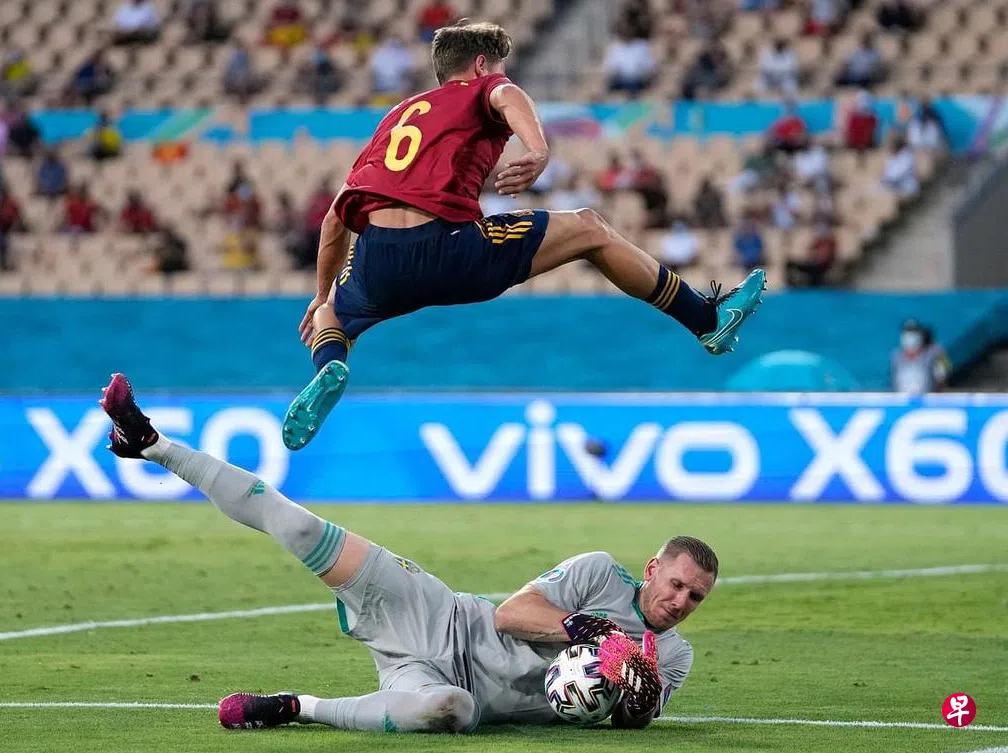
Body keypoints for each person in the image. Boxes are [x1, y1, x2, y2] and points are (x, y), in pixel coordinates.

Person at [99, 373, 719, 733]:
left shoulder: (674, 655)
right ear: (653, 569)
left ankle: (296, 707)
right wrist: (585, 629)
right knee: (304, 530)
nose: (681, 601)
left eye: (695, 596)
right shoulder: (598, 571)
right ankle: (152, 443)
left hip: (462, 692)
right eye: (677, 584)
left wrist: (635, 687)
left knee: (449, 711)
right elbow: (510, 615)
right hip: (440, 616)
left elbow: (632, 722)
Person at [281, 20, 766, 451]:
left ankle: (329, 365)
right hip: (449, 248)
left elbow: (334, 221)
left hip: (378, 260)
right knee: (590, 227)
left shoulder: (395, 118)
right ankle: (706, 320)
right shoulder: (483, 88)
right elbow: (507, 97)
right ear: (480, 65)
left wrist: (322, 294)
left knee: (330, 313)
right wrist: (537, 150)